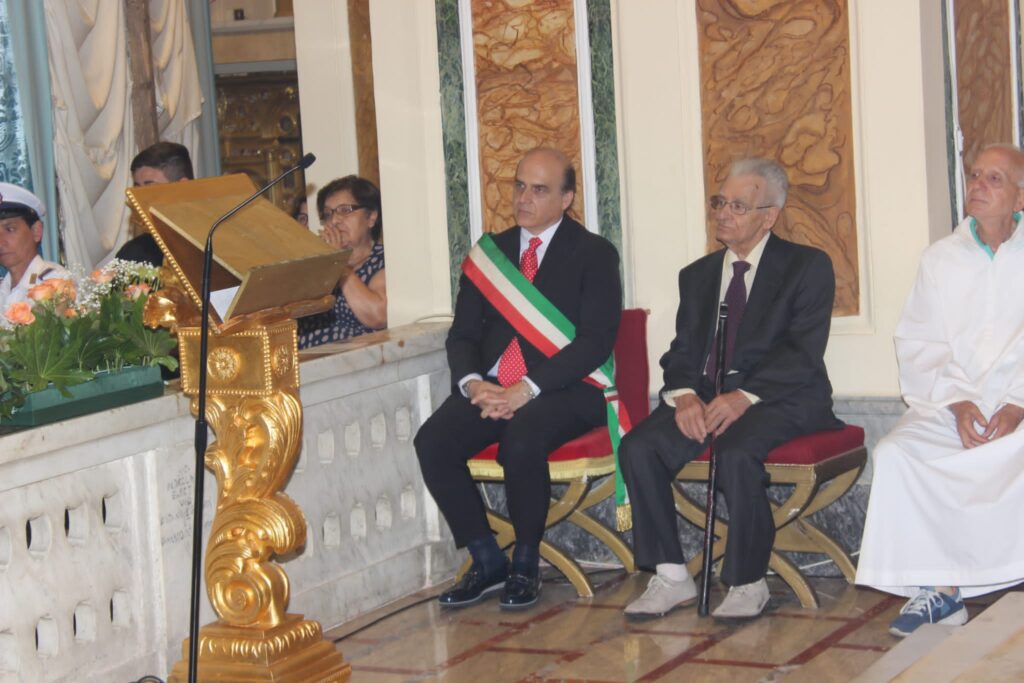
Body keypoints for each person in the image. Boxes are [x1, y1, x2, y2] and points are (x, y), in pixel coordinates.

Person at [619, 157, 841, 620]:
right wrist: (682, 395)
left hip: (783, 398)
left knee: (736, 450)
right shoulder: (697, 276)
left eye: (739, 206)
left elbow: (802, 353)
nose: (724, 213)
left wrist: (744, 397)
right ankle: (671, 575)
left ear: (769, 216)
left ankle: (747, 581)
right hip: (705, 397)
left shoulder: (806, 267)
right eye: (720, 202)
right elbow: (681, 352)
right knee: (640, 445)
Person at [414, 148, 621, 610]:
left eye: (540, 189)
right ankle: (487, 559)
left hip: (568, 388)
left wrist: (526, 389)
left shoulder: (594, 254)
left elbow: (594, 342)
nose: (524, 198)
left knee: (522, 437)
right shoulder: (491, 255)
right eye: (519, 185)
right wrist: (472, 383)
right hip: (492, 387)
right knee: (433, 441)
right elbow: (462, 334)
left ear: (566, 198)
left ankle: (526, 562)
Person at [856, 143, 1024, 637]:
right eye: (974, 176)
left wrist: (1017, 404)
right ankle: (941, 591)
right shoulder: (940, 260)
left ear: (1020, 197)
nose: (977, 186)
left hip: (1020, 404)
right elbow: (918, 340)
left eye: (994, 178)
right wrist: (958, 403)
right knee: (897, 453)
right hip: (954, 403)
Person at [297, 175, 386, 348]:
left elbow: (377, 316)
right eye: (328, 214)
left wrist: (339, 265)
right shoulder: (317, 266)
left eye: (345, 210)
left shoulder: (381, 260)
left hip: (352, 364)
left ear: (371, 217)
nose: (334, 220)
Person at [116, 141, 195, 265]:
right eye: (137, 189)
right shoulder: (132, 253)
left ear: (181, 187)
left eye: (150, 188)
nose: (140, 199)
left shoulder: (213, 244)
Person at [0, 182, 71, 317]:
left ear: (36, 231)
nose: (0, 242)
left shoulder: (57, 283)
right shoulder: (3, 288)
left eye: (10, 229)